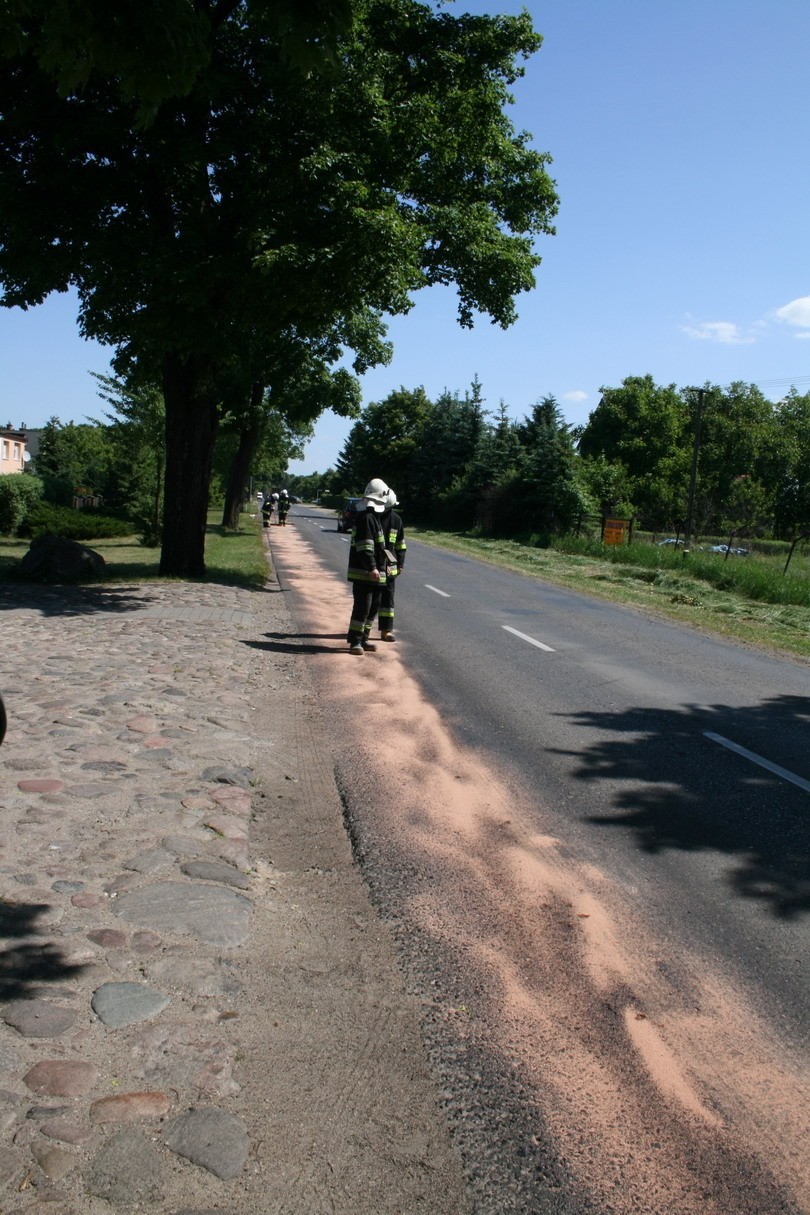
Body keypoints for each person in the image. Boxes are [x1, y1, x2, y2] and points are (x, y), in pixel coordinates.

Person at [346, 478, 389, 655]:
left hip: (375, 574)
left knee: (373, 608)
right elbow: (365, 547)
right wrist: (372, 568)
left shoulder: (374, 518)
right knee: (362, 608)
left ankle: (364, 639)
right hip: (365, 573)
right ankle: (355, 641)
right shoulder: (366, 519)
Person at [378, 487, 406, 641]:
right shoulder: (372, 517)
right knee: (371, 600)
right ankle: (364, 631)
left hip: (390, 567)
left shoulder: (396, 520)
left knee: (388, 599)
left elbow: (401, 545)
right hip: (375, 565)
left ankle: (386, 630)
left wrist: (400, 564)